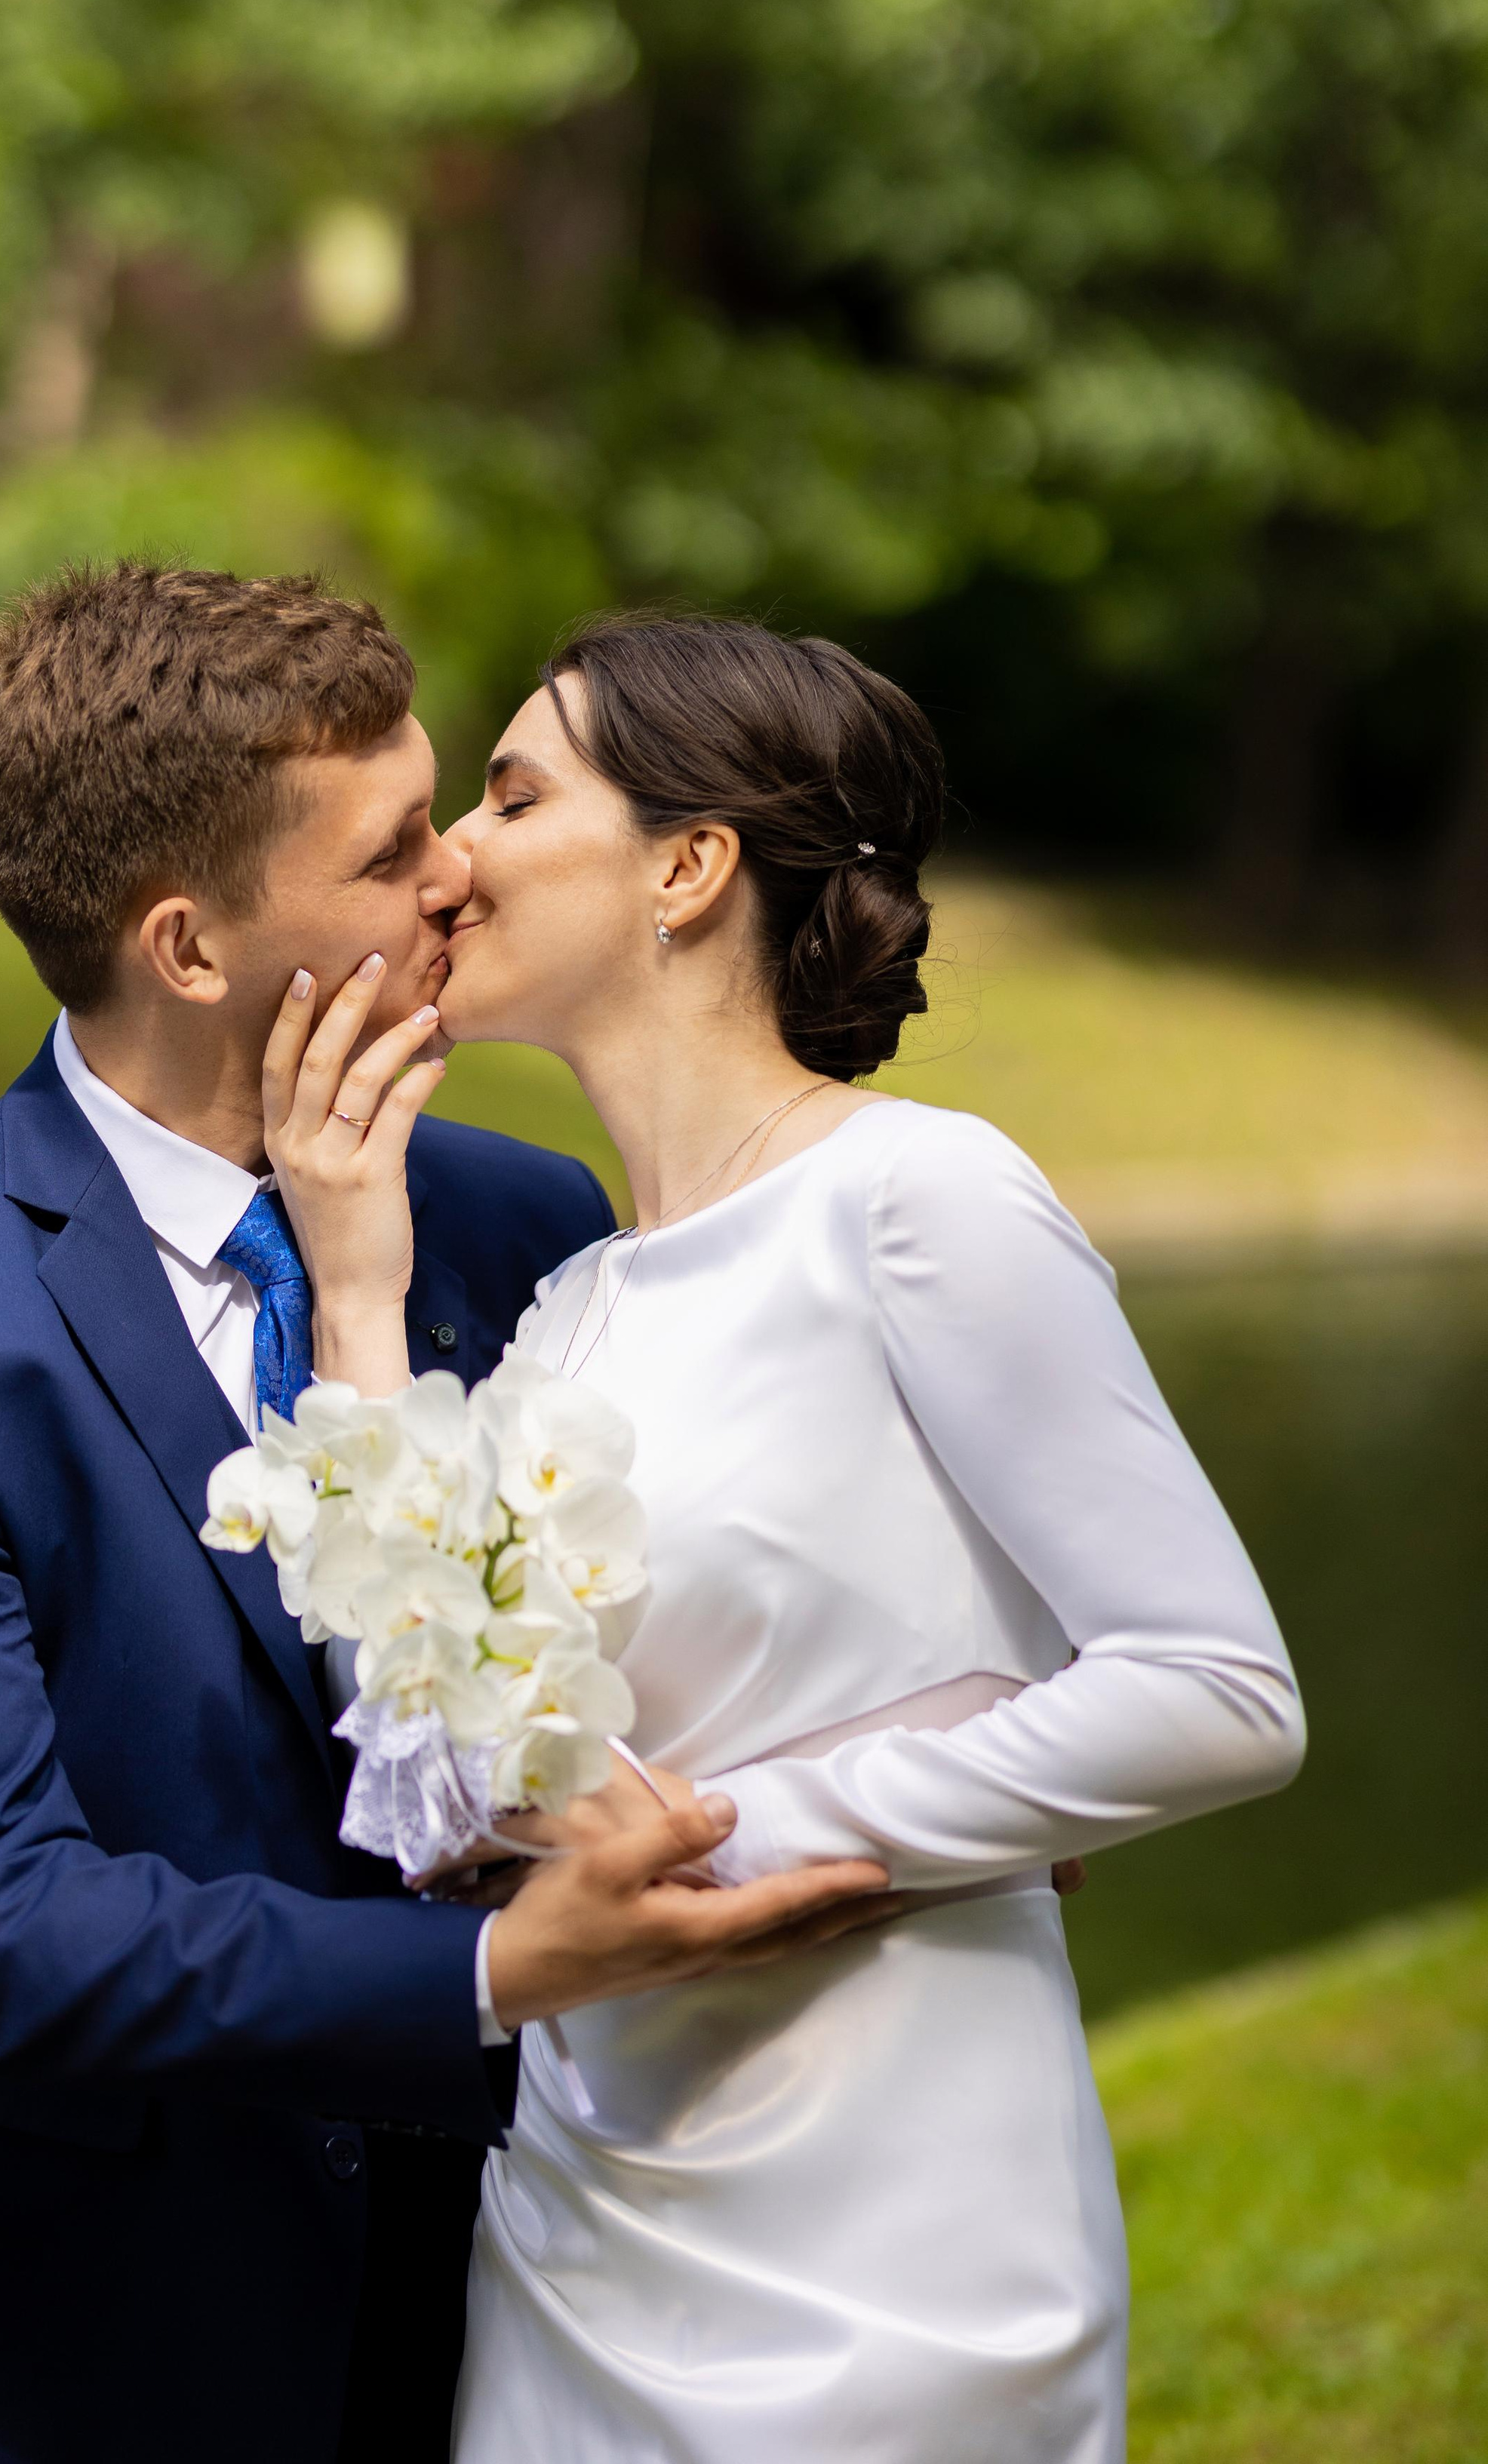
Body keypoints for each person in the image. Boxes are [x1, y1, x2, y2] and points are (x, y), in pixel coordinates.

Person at [0, 567, 896, 2464]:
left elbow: (657, 1650)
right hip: (41, 2361)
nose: (456, 877)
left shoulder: (526, 1227)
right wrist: (494, 1973)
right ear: (188, 949)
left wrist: (922, 1773)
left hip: (474, 2326)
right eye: (388, 852)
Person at [267, 610, 1307, 2464]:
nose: (447, 862)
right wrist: (356, 1293)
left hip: (884, 2224)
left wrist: (755, 1840)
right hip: (578, 2218)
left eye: (508, 796)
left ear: (686, 865)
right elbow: (429, 1781)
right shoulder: (567, 1305)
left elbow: (1216, 1689)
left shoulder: (918, 1199)